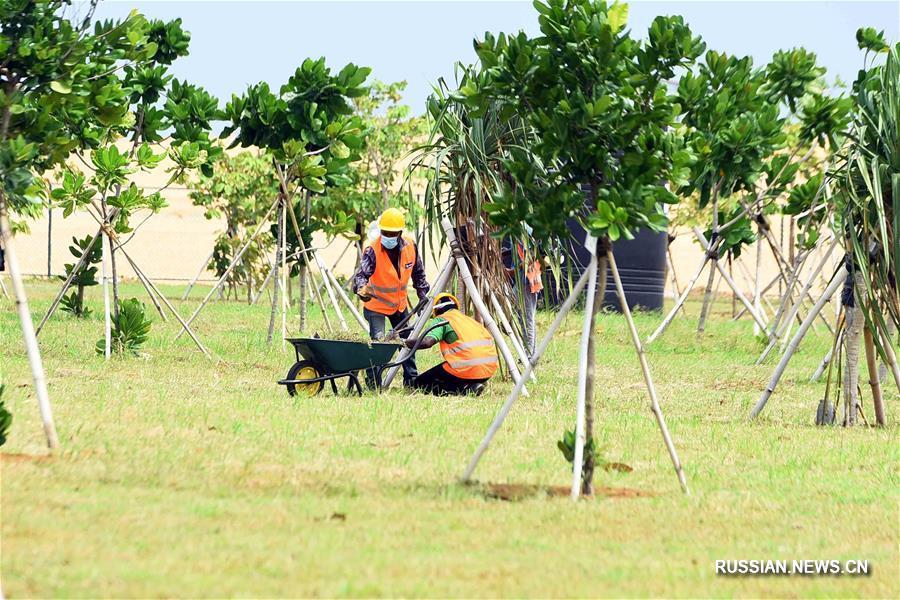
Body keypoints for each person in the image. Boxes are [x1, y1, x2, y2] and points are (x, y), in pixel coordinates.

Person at [352, 207, 429, 388]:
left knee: (407, 342)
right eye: (384, 232)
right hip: (376, 306)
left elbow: (419, 275)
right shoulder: (372, 249)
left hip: (399, 306)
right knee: (378, 345)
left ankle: (411, 382)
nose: (387, 236)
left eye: (391, 233)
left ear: (400, 233)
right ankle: (373, 384)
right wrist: (362, 289)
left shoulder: (410, 246)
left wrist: (423, 296)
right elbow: (361, 275)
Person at [406, 293, 498, 396]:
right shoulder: (470, 320)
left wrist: (404, 342)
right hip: (488, 370)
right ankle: (473, 384)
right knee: (447, 372)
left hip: (467, 369)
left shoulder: (443, 319)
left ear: (437, 310)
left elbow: (427, 342)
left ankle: (466, 389)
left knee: (420, 384)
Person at [501, 227, 543, 356]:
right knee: (521, 316)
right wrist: (506, 253)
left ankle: (529, 355)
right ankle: (531, 353)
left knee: (527, 319)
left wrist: (511, 272)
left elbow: (529, 258)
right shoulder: (521, 229)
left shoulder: (522, 231)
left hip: (526, 281)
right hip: (526, 280)